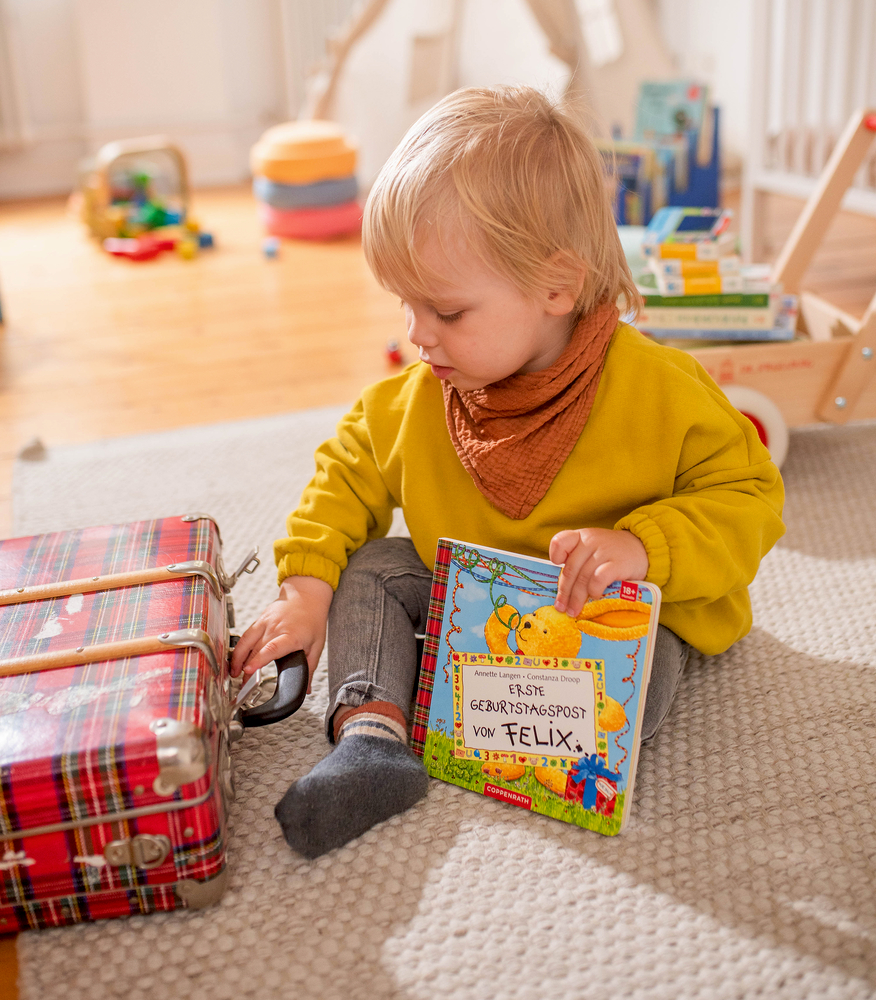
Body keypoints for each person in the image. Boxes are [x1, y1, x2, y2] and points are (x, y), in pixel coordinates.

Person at [230, 86, 785, 859]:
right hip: (473, 588)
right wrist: (304, 595)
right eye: (406, 305)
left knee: (636, 673)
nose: (418, 334)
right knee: (368, 568)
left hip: (602, 611)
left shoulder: (665, 392)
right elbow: (344, 477)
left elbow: (752, 498)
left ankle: (475, 702)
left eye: (448, 312)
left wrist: (644, 548)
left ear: (557, 287)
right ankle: (372, 740)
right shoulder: (417, 399)